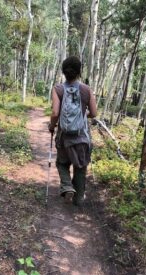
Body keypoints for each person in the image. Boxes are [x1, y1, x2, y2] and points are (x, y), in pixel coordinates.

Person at [48, 56, 97, 206]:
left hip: (64, 137)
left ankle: (67, 186)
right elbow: (94, 113)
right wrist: (82, 116)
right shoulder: (86, 90)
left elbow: (55, 113)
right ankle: (78, 199)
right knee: (80, 167)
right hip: (81, 136)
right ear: (79, 71)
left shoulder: (58, 89)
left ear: (64, 72)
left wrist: (51, 126)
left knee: (62, 164)